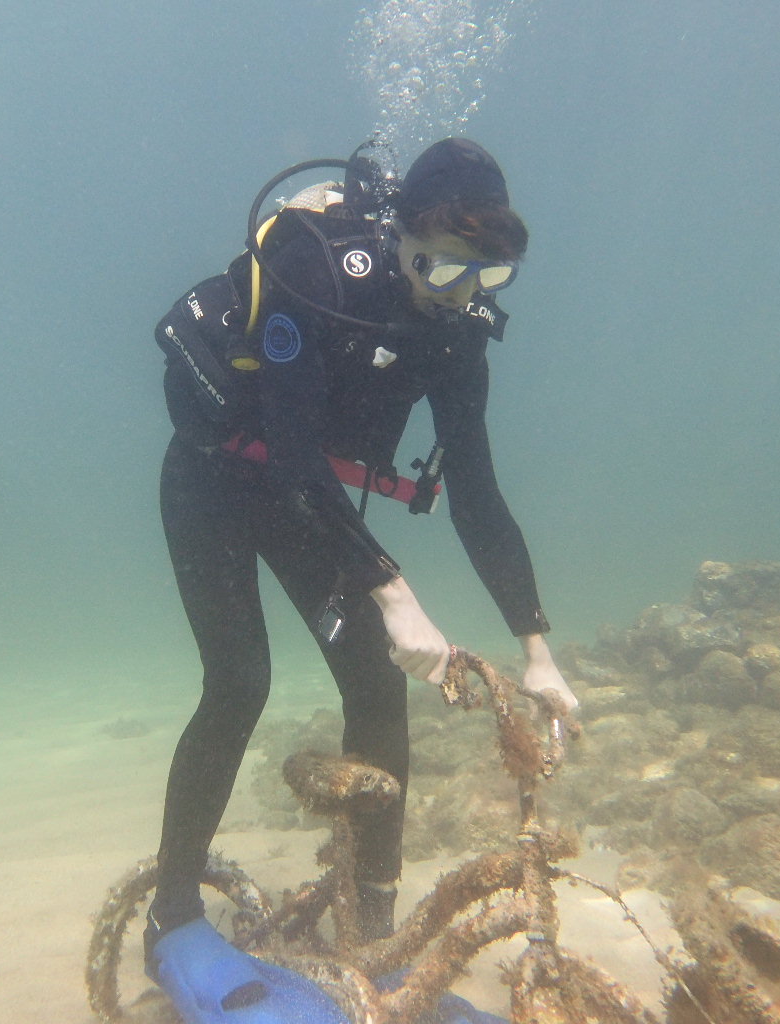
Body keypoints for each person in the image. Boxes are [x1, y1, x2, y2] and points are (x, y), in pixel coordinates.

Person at [145, 137, 576, 1015]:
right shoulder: (316, 274)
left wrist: (537, 648)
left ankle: (372, 934)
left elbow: (477, 496)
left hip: (307, 506)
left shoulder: (458, 336)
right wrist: (395, 591)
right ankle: (172, 918)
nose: (460, 294)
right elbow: (294, 455)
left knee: (378, 686)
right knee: (239, 683)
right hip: (215, 479)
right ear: (402, 237)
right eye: (446, 267)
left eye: (487, 277)